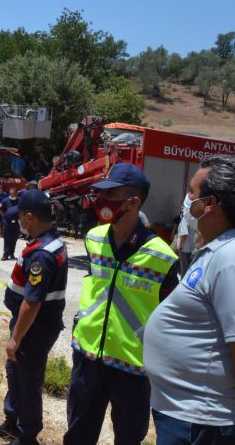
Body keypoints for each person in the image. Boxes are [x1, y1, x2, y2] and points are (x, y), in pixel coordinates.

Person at [64, 163, 179, 445]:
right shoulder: (94, 239)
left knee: (128, 438)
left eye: (111, 195)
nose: (102, 201)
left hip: (133, 368)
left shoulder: (162, 257)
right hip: (88, 357)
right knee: (78, 434)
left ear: (133, 202)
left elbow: (171, 317)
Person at [143, 155, 235, 445]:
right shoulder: (215, 251)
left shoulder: (230, 258)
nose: (186, 200)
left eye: (192, 193)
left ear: (209, 204)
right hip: (185, 415)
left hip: (201, 421)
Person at [0, 189, 68, 445]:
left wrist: (15, 338)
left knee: (29, 380)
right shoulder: (49, 241)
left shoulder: (41, 254)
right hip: (30, 327)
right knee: (15, 372)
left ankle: (27, 434)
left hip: (34, 329)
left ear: (30, 217)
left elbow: (32, 302)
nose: (17, 221)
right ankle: (13, 420)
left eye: (20, 216)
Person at [177, 193, 199, 276]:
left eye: (183, 206)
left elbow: (183, 233)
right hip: (192, 247)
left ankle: (183, 281)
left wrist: (180, 245)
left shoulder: (186, 217)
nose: (182, 208)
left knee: (184, 267)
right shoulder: (195, 218)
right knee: (190, 267)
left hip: (185, 247)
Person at [0, 188, 20, 260]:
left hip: (16, 222)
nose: (11, 195)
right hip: (7, 222)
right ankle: (5, 254)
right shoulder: (5, 201)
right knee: (7, 238)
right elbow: (1, 210)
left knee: (14, 238)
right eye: (10, 193)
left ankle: (12, 253)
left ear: (16, 193)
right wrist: (5, 217)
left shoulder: (19, 201)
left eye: (13, 193)